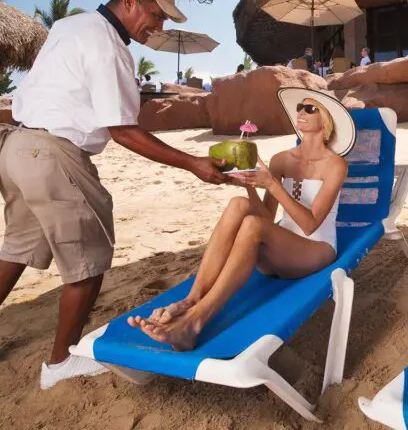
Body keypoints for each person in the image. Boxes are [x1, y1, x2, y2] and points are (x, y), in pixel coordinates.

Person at [0, 0, 232, 389]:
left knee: (15, 249)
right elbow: (123, 131)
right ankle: (59, 364)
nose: (158, 25)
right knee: (90, 258)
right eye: (156, 14)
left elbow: (70, 89)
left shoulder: (69, 25)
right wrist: (193, 163)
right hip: (53, 155)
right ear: (129, 1)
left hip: (17, 147)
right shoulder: (111, 47)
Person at [128, 88, 356, 351]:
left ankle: (195, 322)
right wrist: (248, 182)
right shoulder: (282, 160)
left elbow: (310, 224)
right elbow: (268, 217)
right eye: (299, 108)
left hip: (316, 249)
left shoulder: (336, 164)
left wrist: (271, 184)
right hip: (280, 252)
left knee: (253, 225)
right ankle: (191, 300)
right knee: (239, 205)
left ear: (326, 120)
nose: (301, 113)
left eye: (310, 108)